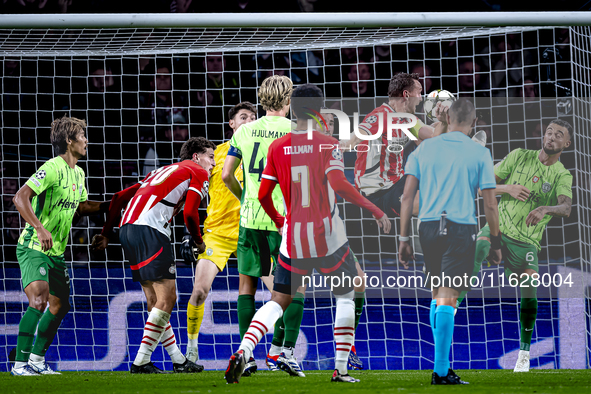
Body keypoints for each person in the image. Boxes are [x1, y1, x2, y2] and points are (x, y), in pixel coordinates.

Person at [224, 83, 391, 384]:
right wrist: (375, 210)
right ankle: (340, 369)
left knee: (278, 299)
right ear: (319, 109)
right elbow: (340, 185)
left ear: (294, 108)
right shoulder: (328, 144)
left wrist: (278, 219)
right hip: (327, 236)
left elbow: (263, 194)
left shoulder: (278, 147)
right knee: (346, 293)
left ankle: (245, 350)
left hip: (291, 236)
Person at [456, 119, 574, 372]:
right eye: (549, 132)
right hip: (498, 228)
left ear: (567, 143)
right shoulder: (519, 156)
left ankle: (523, 353)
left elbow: (566, 208)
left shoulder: (562, 175)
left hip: (527, 242)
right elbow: (481, 187)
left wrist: (545, 208)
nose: (551, 137)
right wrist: (507, 188)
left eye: (558, 135)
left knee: (531, 286)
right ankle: (454, 304)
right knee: (479, 247)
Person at [398, 99, 502, 385]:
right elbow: (490, 205)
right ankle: (441, 371)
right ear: (474, 122)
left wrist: (403, 238)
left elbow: (407, 197)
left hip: (427, 228)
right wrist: (495, 242)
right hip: (460, 228)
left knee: (438, 294)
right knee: (449, 297)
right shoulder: (479, 152)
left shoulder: (425, 148)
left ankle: (441, 366)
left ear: (449, 118)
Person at [91, 137, 216, 374]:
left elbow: (118, 198)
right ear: (196, 157)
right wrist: (199, 242)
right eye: (210, 156)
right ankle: (141, 361)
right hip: (151, 229)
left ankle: (178, 360)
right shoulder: (197, 171)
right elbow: (190, 212)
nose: (213, 163)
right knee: (168, 299)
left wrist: (106, 234)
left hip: (127, 229)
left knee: (155, 302)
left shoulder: (161, 172)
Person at [222, 75, 307, 377]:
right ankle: (283, 352)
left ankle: (249, 358)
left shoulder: (244, 131)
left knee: (247, 286)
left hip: (251, 218)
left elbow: (226, 175)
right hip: (284, 220)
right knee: (293, 288)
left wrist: (244, 196)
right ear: (288, 101)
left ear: (261, 100)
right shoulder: (297, 131)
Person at [11, 116, 109, 376]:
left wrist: (115, 203)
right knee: (40, 298)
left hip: (56, 253)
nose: (86, 140)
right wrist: (40, 227)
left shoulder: (79, 173)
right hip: (33, 246)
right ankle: (20, 364)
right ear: (69, 140)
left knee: (60, 305)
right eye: (82, 135)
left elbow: (83, 207)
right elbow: (20, 197)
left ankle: (36, 360)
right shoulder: (52, 167)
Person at [180, 102, 259, 365]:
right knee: (200, 290)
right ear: (232, 124)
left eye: (253, 117)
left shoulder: (264, 152)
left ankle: (270, 352)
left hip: (253, 231)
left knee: (280, 291)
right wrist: (186, 233)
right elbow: (191, 192)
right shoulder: (217, 155)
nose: (249, 120)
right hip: (218, 235)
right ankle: (192, 348)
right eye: (243, 117)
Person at [345, 72, 448, 219]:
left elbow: (435, 136)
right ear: (406, 95)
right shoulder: (381, 116)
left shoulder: (409, 119)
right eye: (419, 93)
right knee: (426, 204)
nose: (420, 98)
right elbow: (353, 139)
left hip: (397, 181)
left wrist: (444, 122)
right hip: (376, 191)